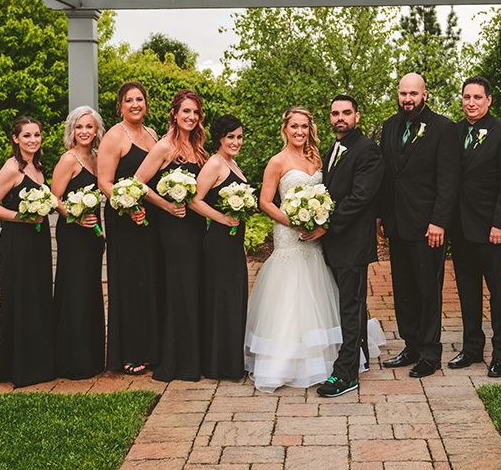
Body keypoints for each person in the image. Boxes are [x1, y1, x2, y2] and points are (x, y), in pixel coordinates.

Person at [244, 107, 345, 392]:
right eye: (294, 127)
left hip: (314, 238)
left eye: (304, 126)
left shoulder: (316, 158)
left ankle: (322, 361)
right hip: (289, 235)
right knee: (289, 294)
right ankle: (285, 362)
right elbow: (265, 202)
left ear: (309, 128)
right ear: (285, 129)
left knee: (315, 289)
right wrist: (294, 222)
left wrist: (316, 220)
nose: (299, 131)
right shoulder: (277, 161)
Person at [379, 73, 460, 379]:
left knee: (428, 290)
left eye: (413, 93)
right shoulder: (389, 126)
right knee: (403, 289)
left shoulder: (443, 128)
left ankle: (429, 352)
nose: (407, 99)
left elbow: (448, 181)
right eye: (403, 93)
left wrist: (439, 221)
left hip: (428, 226)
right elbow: (388, 175)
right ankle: (410, 344)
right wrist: (380, 215)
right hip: (397, 223)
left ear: (425, 95)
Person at [316, 95, 386, 398]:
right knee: (352, 304)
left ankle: (345, 374)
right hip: (335, 243)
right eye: (335, 113)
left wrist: (325, 223)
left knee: (350, 305)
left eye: (346, 113)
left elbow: (360, 197)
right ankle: (360, 358)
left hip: (352, 242)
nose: (340, 118)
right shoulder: (332, 149)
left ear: (357, 116)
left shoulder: (368, 150)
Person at [136, 89, 209, 382]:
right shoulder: (164, 147)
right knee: (181, 287)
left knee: (193, 287)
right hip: (175, 227)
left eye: (195, 113)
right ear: (174, 114)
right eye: (186, 112)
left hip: (196, 227)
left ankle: (195, 357)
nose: (191, 117)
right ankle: (178, 362)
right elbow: (138, 182)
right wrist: (166, 205)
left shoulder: (199, 148)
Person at [448, 77, 501, 378]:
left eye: (477, 97)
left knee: (500, 293)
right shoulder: (455, 132)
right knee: (467, 291)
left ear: (489, 100)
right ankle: (472, 348)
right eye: (466, 97)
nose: (471, 102)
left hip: (492, 229)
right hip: (461, 229)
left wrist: (500, 223)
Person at [0, 116, 56, 388]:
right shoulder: (12, 168)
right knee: (22, 300)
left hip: (38, 241)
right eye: (27, 136)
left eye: (37, 135)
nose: (33, 140)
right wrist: (21, 217)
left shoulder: (37, 166)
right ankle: (21, 368)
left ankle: (39, 364)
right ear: (15, 139)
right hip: (18, 241)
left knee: (37, 299)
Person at [96, 82, 161, 376]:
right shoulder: (113, 137)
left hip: (152, 220)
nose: (135, 104)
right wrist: (129, 205)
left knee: (150, 281)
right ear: (120, 106)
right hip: (126, 221)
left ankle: (151, 349)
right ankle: (130, 352)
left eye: (140, 99)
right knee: (130, 283)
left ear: (146, 104)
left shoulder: (152, 135)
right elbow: (104, 182)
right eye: (129, 100)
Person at [190, 114, 250, 381]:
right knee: (221, 299)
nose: (235, 141)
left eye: (238, 137)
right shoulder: (214, 163)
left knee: (233, 298)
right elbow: (194, 200)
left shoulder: (232, 163)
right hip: (218, 241)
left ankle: (230, 361)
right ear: (219, 139)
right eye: (230, 137)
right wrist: (223, 218)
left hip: (234, 243)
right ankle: (219, 365)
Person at [50, 106, 107, 380]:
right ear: (72, 130)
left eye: (89, 127)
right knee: (75, 292)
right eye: (79, 127)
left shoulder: (97, 158)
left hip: (93, 235)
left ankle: (93, 357)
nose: (84, 132)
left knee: (91, 292)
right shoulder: (68, 160)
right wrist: (75, 215)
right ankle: (73, 361)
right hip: (73, 233)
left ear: (97, 130)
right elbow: (54, 198)